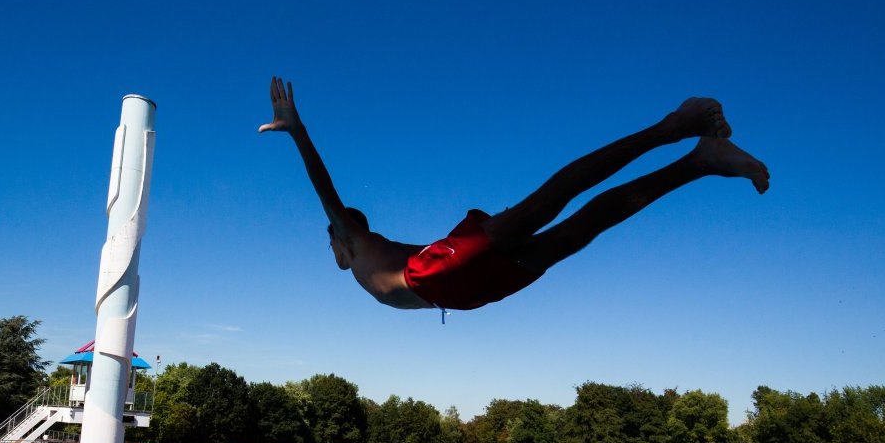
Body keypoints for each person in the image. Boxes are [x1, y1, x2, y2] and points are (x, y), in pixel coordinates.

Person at [259, 77, 769, 314]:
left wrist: (298, 131)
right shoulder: (380, 250)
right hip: (458, 289)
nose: (330, 249)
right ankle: (700, 162)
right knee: (579, 226)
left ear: (339, 232)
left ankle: (675, 127)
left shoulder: (352, 234)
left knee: (553, 201)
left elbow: (323, 188)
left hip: (441, 275)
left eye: (330, 238)